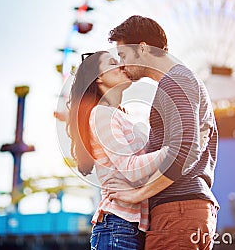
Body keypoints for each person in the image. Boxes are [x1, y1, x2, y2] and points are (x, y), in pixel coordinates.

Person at [106, 15, 219, 250]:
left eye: (124, 55)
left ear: (143, 48)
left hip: (177, 209)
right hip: (183, 210)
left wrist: (138, 195)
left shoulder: (176, 81)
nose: (122, 64)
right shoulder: (179, 81)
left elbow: (185, 150)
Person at [66, 51, 169, 250]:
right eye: (113, 62)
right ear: (99, 78)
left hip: (130, 228)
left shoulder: (118, 116)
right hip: (118, 226)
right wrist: (173, 150)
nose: (121, 65)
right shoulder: (102, 114)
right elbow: (132, 170)